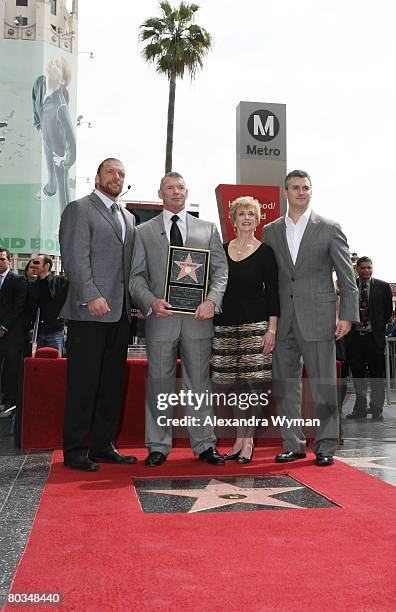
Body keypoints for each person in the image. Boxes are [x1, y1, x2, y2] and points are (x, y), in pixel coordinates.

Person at [129, 171, 228, 466]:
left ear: (187, 192)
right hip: (160, 321)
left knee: (198, 384)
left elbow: (221, 271)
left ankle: (204, 444)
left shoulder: (207, 229)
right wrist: (150, 302)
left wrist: (212, 300)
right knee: (159, 383)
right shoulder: (142, 232)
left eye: (180, 187)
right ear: (160, 194)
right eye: (169, 188)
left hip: (199, 320)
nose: (175, 192)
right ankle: (158, 445)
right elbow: (136, 278)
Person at [262, 170, 359, 466]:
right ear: (285, 192)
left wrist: (347, 315)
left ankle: (327, 445)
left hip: (318, 317)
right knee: (286, 385)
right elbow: (269, 279)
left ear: (311, 192)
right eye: (295, 187)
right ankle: (293, 443)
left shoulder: (329, 227)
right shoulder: (271, 231)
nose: (301, 192)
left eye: (306, 187)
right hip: (283, 320)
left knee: (324, 384)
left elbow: (346, 275)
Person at [59, 158, 137, 471]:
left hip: (119, 316)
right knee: (84, 384)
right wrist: (90, 294)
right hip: (88, 313)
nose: (116, 177)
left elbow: (129, 267)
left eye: (121, 173)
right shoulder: (80, 209)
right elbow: (74, 256)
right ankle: (76, 450)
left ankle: (104, 446)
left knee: (111, 384)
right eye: (110, 172)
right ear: (97, 178)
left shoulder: (129, 217)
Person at [211, 196, 279, 463]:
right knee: (233, 388)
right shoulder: (221, 249)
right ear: (233, 218)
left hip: (256, 328)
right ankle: (239, 438)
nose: (247, 218)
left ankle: (248, 441)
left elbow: (274, 295)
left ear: (258, 219)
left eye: (252, 214)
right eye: (242, 214)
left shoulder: (266, 252)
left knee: (253, 387)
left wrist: (271, 331)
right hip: (225, 328)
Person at [345, 256, 393, 421]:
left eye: (369, 267)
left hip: (374, 338)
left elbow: (387, 312)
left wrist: (376, 328)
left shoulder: (383, 287)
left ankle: (377, 409)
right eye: (363, 268)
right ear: (357, 269)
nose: (366, 270)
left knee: (376, 376)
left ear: (373, 268)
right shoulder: (350, 286)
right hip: (355, 338)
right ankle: (359, 409)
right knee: (357, 376)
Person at [32, 56, 76, 214]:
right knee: (50, 173)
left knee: (62, 182)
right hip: (46, 138)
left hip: (59, 145)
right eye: (53, 61)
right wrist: (38, 124)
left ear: (62, 80)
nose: (52, 63)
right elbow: (34, 102)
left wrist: (66, 161)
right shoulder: (39, 83)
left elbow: (72, 139)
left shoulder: (61, 105)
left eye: (58, 65)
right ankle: (49, 189)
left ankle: (65, 223)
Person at [0, 249, 28, 417]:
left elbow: (19, 307)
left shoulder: (18, 281)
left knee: (11, 370)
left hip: (11, 334)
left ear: (9, 261)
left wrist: (3, 327)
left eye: (2, 259)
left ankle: (10, 404)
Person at [27, 254, 68, 356]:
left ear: (46, 266)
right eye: (33, 262)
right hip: (38, 333)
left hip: (55, 331)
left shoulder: (59, 281)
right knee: (38, 365)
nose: (34, 264)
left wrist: (61, 318)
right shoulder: (32, 285)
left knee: (57, 365)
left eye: (37, 262)